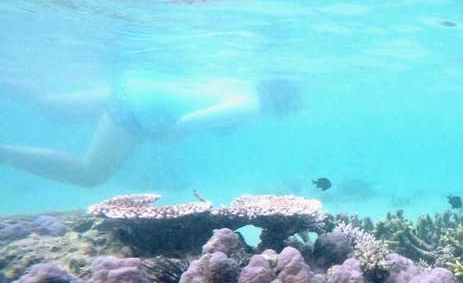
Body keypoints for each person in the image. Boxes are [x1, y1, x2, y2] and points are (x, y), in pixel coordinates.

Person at [0, 72, 303, 186]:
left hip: (136, 88)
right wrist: (166, 137)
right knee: (90, 174)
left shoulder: (242, 84)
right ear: (282, 100)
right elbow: (190, 121)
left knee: (51, 106)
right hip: (139, 110)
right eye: (293, 103)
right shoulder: (249, 106)